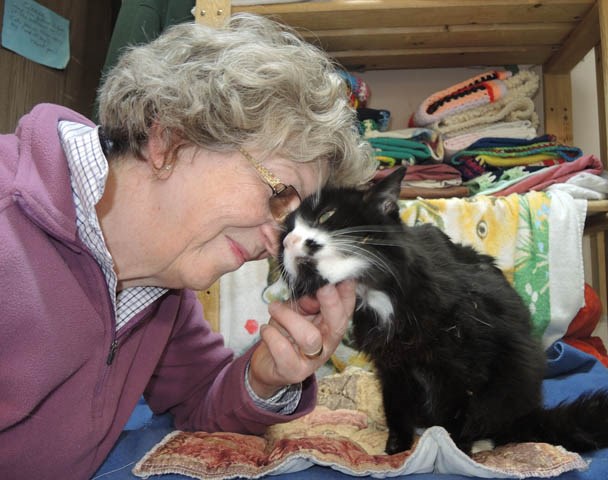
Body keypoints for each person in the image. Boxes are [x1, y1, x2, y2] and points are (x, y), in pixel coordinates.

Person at [0, 13, 376, 479]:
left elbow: (200, 396)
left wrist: (267, 373)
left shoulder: (160, 288)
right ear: (171, 137)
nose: (281, 245)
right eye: (279, 194)